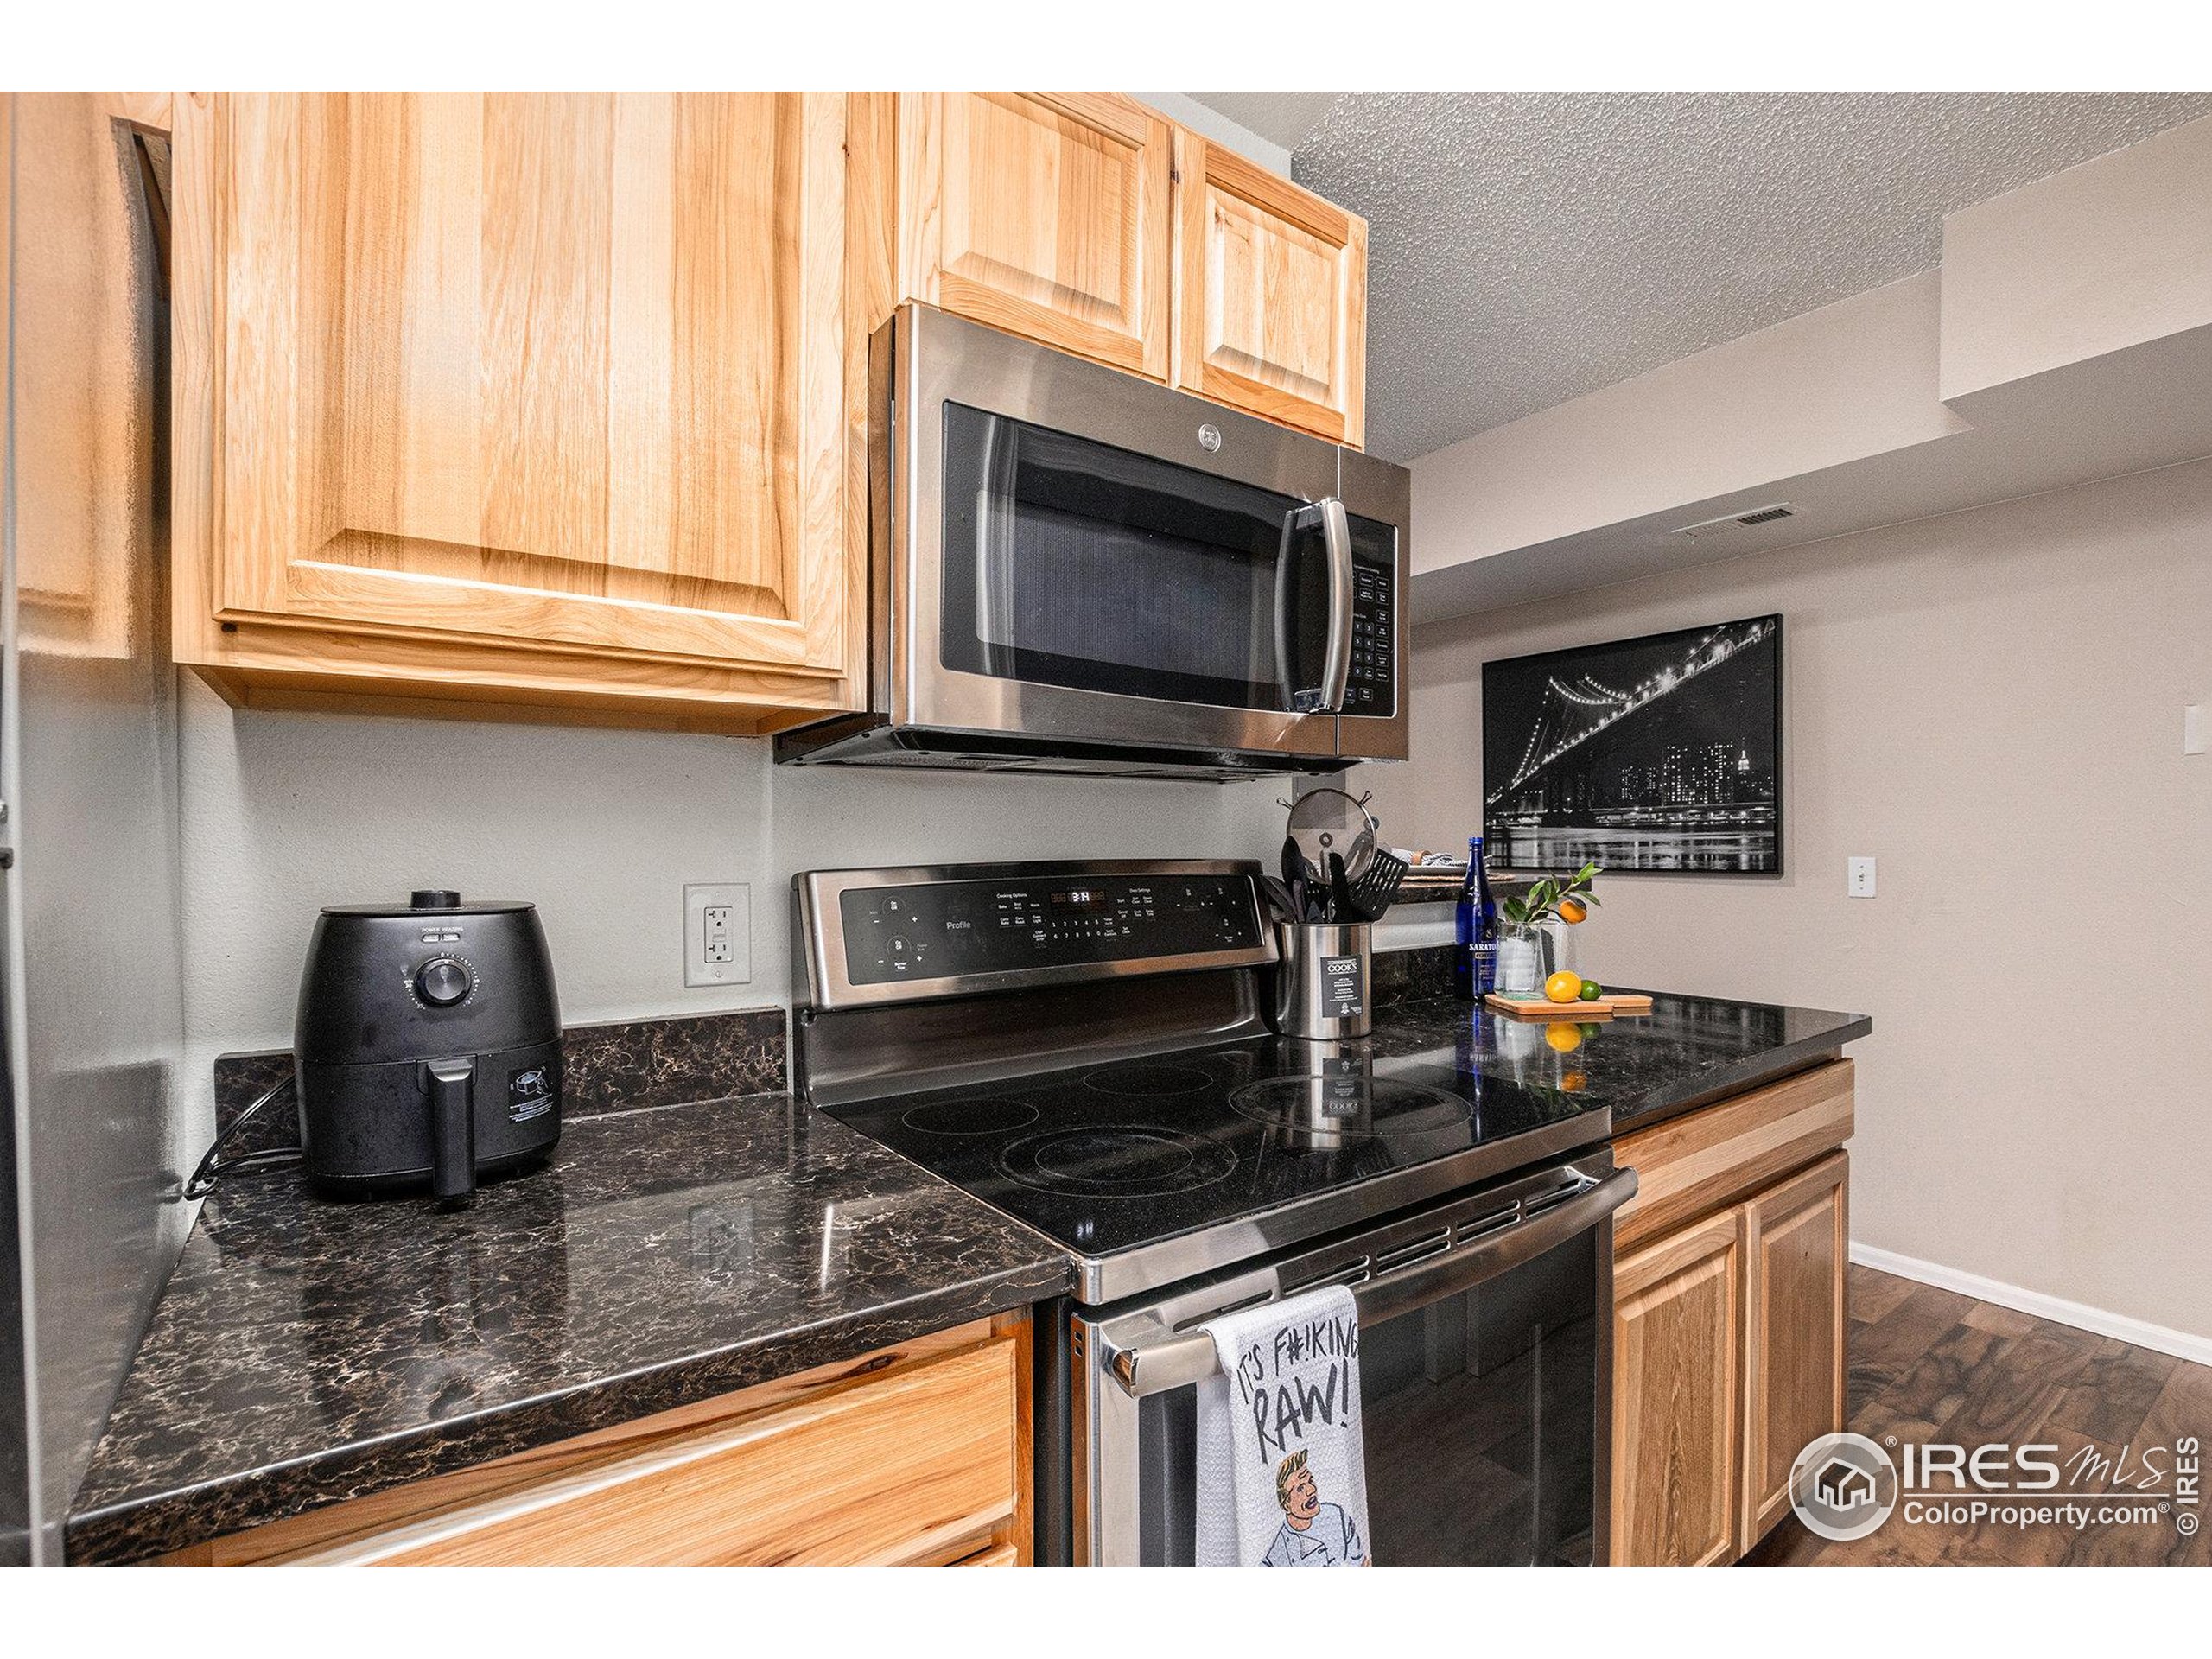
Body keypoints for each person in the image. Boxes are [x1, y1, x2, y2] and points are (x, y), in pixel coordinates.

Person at [1261, 1449, 1367, 1566]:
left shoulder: (1337, 1516)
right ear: (1286, 1505)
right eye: (1300, 1488)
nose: (1312, 1489)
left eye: (1310, 1480)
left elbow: (1362, 1563)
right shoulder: (1277, 1554)